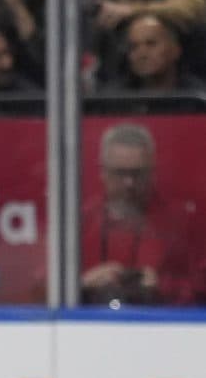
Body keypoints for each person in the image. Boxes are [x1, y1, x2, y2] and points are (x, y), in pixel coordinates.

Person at [79, 123, 204, 307]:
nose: (129, 183)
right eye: (120, 173)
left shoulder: (181, 223)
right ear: (103, 172)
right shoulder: (81, 222)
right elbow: (39, 292)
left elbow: (201, 287)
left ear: (152, 172)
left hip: (161, 324)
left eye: (137, 174)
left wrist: (162, 286)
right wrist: (83, 284)